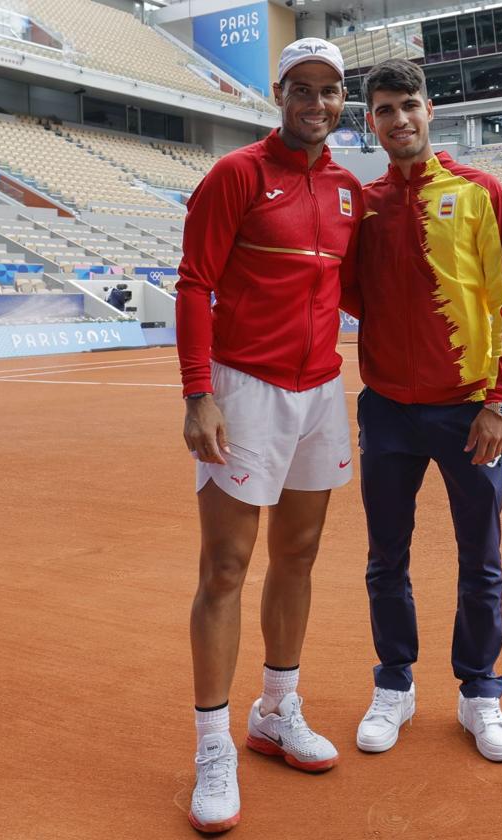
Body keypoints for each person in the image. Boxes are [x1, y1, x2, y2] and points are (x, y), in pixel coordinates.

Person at [174, 38, 361, 834]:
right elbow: (194, 285)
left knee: (301, 554)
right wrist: (198, 394)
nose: (315, 104)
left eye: (329, 91)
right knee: (225, 567)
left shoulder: (352, 190)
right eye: (301, 89)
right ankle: (212, 745)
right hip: (244, 387)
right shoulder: (236, 175)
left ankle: (276, 710)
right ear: (278, 94)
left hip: (320, 388)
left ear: (341, 100)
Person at [344, 58, 502, 764]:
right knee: (385, 557)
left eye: (409, 105)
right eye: (385, 109)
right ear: (372, 122)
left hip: (469, 413)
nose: (399, 119)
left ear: (431, 110)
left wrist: (499, 401)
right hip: (387, 409)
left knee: (480, 559)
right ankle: (394, 683)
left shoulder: (482, 193)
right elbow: (357, 296)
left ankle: (480, 691)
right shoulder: (364, 205)